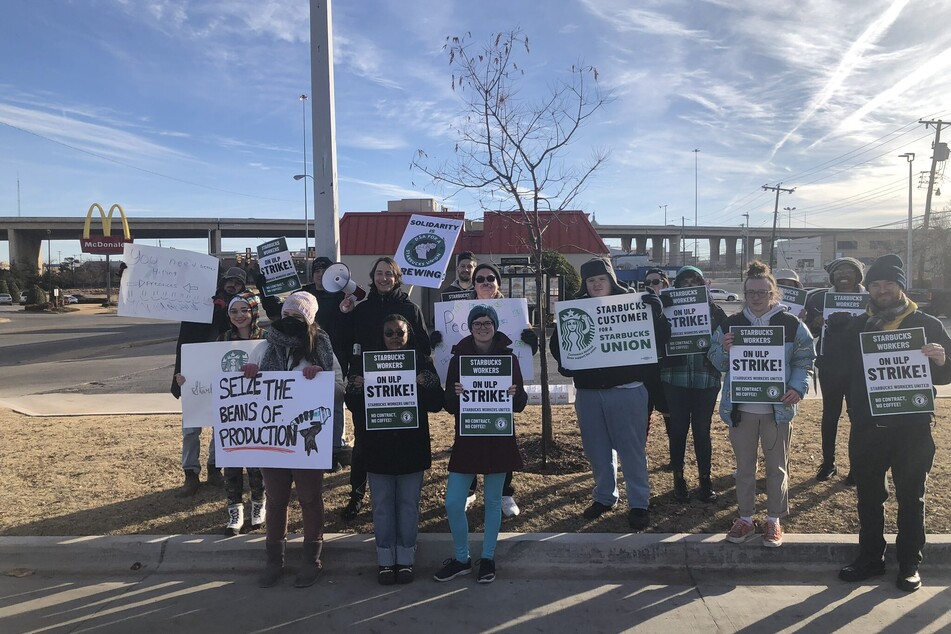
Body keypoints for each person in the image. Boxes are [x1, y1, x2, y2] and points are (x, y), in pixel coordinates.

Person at [831, 255, 951, 592]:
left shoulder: (927, 323)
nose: (882, 290)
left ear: (901, 287)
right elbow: (839, 373)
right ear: (868, 289)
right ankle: (870, 558)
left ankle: (910, 563)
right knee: (869, 497)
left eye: (889, 284)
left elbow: (946, 374)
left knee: (912, 497)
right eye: (876, 285)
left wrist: (942, 360)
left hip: (912, 429)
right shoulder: (858, 326)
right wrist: (832, 334)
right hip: (868, 428)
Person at [550, 257, 671, 531]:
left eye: (601, 279)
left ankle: (639, 502)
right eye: (591, 281)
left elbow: (661, 339)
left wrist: (657, 314)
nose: (596, 285)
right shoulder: (575, 308)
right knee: (597, 450)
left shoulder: (634, 302)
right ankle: (605, 496)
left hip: (627, 391)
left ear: (610, 280)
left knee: (632, 450)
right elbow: (560, 345)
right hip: (589, 393)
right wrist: (566, 363)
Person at [709, 261, 815, 548]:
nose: (756, 297)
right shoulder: (731, 324)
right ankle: (745, 517)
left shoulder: (792, 324)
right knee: (744, 468)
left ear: (773, 293)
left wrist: (797, 387)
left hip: (777, 411)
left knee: (776, 467)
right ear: (745, 294)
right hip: (742, 410)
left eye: (762, 292)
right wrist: (725, 349)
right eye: (751, 292)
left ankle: (773, 519)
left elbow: (805, 360)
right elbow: (716, 361)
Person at [242, 291, 344, 588]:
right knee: (276, 499)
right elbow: (246, 390)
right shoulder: (263, 348)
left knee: (310, 498)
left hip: (305, 439)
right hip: (272, 440)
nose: (291, 321)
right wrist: (248, 374)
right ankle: (274, 561)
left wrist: (322, 377)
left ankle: (312, 559)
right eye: (287, 315)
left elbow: (339, 390)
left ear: (309, 319)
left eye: (298, 317)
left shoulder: (321, 346)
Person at [345, 314, 442, 585]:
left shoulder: (422, 362)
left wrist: (430, 383)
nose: (395, 338)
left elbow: (436, 404)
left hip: (412, 447)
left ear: (409, 334)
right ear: (381, 335)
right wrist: (356, 387)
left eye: (400, 333)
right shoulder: (366, 364)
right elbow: (352, 404)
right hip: (378, 448)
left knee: (409, 506)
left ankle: (406, 559)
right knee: (382, 507)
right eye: (389, 333)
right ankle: (385, 560)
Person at [434, 305, 527, 584]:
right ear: (470, 327)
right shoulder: (458, 359)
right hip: (468, 438)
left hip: (498, 437)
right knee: (453, 502)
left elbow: (520, 404)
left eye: (487, 322)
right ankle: (461, 559)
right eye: (477, 322)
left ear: (495, 326)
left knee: (493, 502)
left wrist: (514, 393)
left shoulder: (509, 360)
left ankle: (487, 558)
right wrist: (455, 393)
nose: (483, 327)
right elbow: (448, 405)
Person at [337, 257, 432, 521]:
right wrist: (345, 315)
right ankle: (356, 494)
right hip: (367, 385)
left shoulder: (410, 308)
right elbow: (348, 342)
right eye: (379, 273)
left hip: (402, 388)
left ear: (397, 277)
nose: (383, 278)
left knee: (399, 439)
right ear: (372, 276)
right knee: (364, 441)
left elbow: (423, 346)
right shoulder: (362, 309)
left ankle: (404, 496)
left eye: (389, 274)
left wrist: (413, 372)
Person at [175, 291, 268, 535]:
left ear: (253, 312)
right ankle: (234, 510)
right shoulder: (222, 339)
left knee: (257, 465)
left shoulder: (267, 339)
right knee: (232, 463)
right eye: (234, 311)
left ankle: (258, 505)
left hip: (259, 411)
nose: (239, 316)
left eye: (244, 310)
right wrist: (188, 379)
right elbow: (208, 370)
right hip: (232, 413)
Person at [458, 261, 538, 518]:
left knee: (503, 438)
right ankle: (469, 489)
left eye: (490, 278)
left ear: (498, 283)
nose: (485, 283)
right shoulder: (458, 310)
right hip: (469, 390)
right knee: (467, 438)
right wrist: (438, 342)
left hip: (500, 391)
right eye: (479, 278)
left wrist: (530, 343)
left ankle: (505, 492)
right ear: (474, 283)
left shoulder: (515, 312)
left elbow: (523, 357)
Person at [261, 256, 351, 470]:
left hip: (327, 353)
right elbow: (274, 311)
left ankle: (332, 451)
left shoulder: (341, 296)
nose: (320, 274)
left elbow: (338, 392)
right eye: (317, 271)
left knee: (334, 410)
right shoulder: (267, 346)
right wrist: (265, 289)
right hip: (278, 435)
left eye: (298, 316)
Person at [170, 266, 247, 497]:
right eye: (230, 280)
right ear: (222, 281)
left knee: (220, 426)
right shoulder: (197, 303)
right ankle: (190, 474)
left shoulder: (238, 311)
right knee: (191, 429)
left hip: (221, 374)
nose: (232, 285)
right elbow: (167, 295)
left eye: (238, 283)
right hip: (192, 376)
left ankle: (215, 469)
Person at [661, 266, 726, 503]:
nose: (688, 286)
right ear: (677, 286)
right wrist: (660, 309)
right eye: (684, 282)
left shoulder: (716, 312)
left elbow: (726, 343)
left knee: (702, 430)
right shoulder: (665, 309)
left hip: (705, 379)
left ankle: (705, 480)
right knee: (678, 430)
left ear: (702, 285)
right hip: (674, 377)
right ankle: (678, 478)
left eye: (694, 281)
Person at [803, 257, 866, 483]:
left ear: (858, 275)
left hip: (859, 367)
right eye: (839, 271)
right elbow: (807, 331)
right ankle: (828, 463)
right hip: (830, 365)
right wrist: (814, 323)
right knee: (830, 416)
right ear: (832, 277)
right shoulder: (820, 298)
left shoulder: (869, 299)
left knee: (857, 418)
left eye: (850, 270)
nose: (844, 274)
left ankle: (856, 467)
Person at [643, 267, 673, 463]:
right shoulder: (641, 304)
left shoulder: (674, 304)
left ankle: (674, 455)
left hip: (668, 368)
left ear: (665, 283)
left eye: (656, 282)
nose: (652, 286)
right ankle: (639, 453)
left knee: (669, 414)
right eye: (648, 283)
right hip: (646, 369)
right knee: (642, 414)